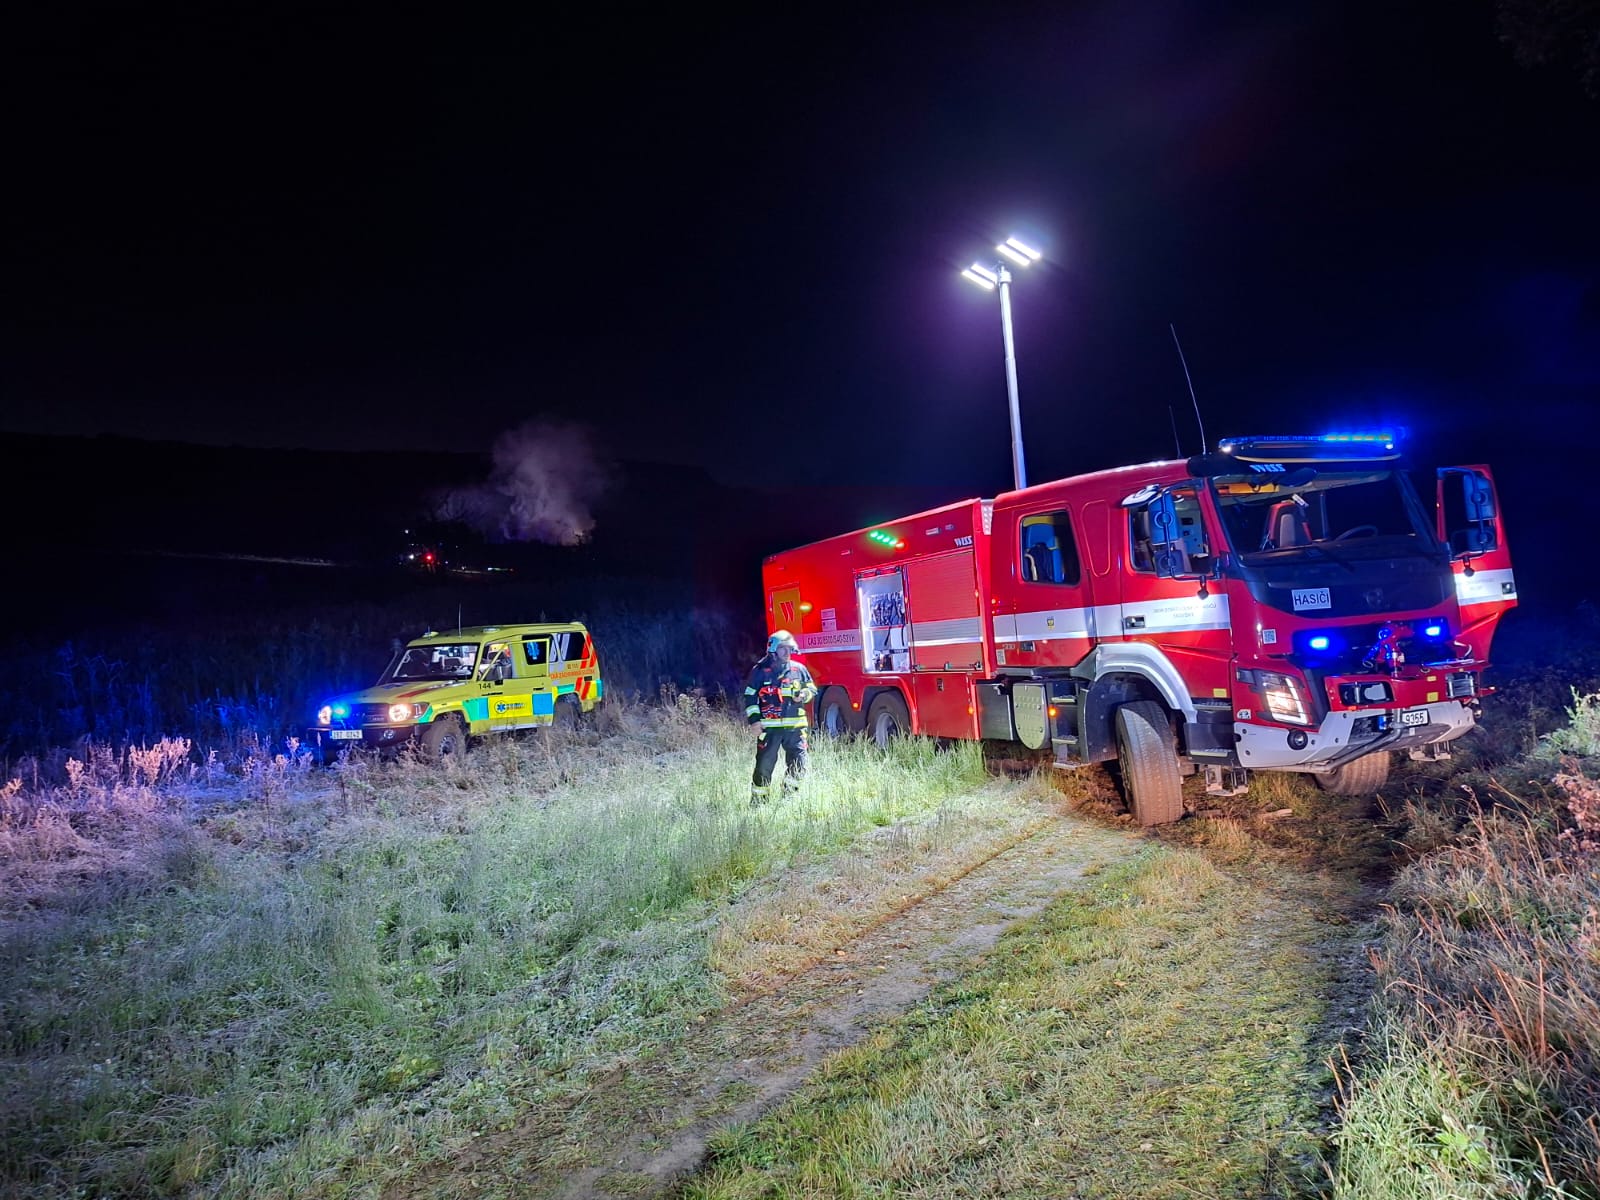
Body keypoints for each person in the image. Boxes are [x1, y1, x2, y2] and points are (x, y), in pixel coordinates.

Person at [743, 630, 816, 805]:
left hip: (795, 728)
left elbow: (812, 688)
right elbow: (750, 695)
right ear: (773, 650)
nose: (787, 652)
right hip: (769, 729)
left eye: (789, 649)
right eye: (783, 648)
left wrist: (804, 694)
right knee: (764, 766)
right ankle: (759, 803)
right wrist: (754, 721)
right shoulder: (760, 671)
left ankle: (788, 798)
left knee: (799, 764)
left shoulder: (799, 669)